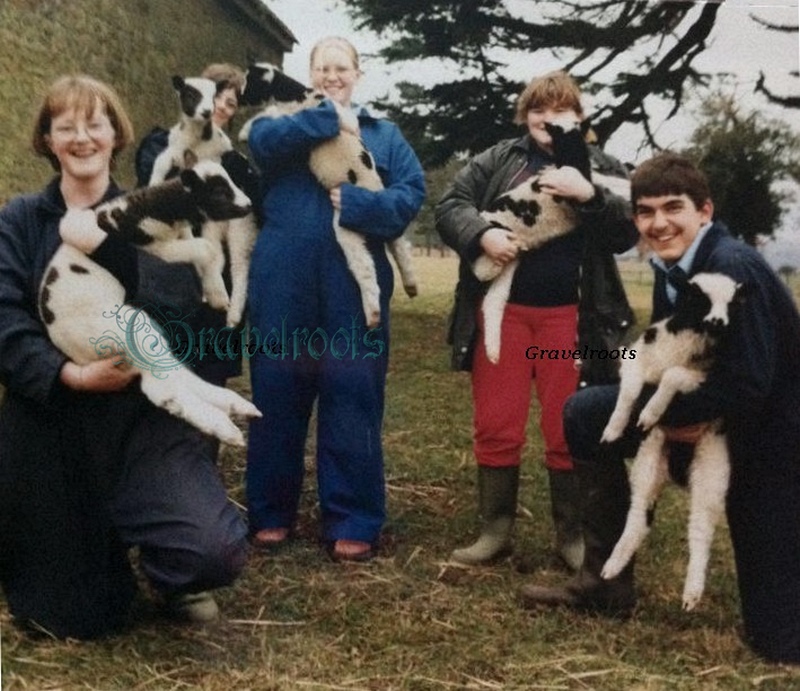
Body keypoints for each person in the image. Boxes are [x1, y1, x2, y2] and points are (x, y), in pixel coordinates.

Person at [518, 152, 800, 664]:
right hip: (715, 412)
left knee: (780, 641)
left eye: (673, 208)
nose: (659, 223)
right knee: (586, 412)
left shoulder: (731, 268)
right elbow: (667, 355)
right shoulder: (675, 266)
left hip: (770, 435)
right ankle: (604, 583)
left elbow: (752, 380)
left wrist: (680, 416)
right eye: (646, 212)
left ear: (704, 210)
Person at [0, 74, 248, 639]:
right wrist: (69, 373)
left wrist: (107, 246)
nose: (82, 138)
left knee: (210, 551)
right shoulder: (20, 220)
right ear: (47, 139)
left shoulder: (154, 209)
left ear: (116, 134)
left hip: (143, 417)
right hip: (53, 418)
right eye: (66, 127)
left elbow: (182, 310)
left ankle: (172, 570)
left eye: (95, 124)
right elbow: (3, 318)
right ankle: (90, 542)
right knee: (69, 617)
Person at [435, 71, 637, 569]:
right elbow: (450, 205)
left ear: (579, 117)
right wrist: (481, 235)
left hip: (571, 321)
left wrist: (588, 195)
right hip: (502, 315)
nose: (549, 119)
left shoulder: (603, 166)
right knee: (496, 420)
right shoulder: (498, 159)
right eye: (538, 110)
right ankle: (495, 530)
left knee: (565, 423)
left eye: (561, 109)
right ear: (525, 116)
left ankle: (572, 535)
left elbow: (626, 232)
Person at [245, 36, 425, 562]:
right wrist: (326, 119)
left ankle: (353, 517)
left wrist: (362, 204)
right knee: (276, 390)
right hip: (283, 278)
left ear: (358, 73)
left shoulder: (384, 135)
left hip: (353, 283)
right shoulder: (281, 122)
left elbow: (410, 195)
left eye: (341, 67)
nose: (332, 75)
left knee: (352, 391)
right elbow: (261, 145)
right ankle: (270, 511)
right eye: (322, 68)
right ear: (310, 74)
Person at [133, 63, 259, 392]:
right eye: (216, 97)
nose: (221, 107)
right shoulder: (160, 144)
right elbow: (154, 196)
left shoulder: (232, 160)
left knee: (210, 382)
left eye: (230, 103)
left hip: (216, 289)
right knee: (160, 380)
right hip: (169, 277)